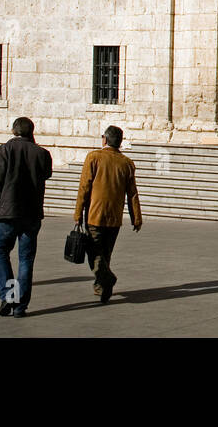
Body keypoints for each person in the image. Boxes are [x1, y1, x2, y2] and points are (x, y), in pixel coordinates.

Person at [0, 117, 53, 317]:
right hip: (31, 213)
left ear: (14, 130)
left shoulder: (3, 151)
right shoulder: (42, 154)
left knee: (1, 251)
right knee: (26, 259)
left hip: (8, 211)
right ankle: (20, 305)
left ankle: (9, 295)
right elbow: (46, 174)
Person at [73, 125, 142, 303]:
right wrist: (136, 217)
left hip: (95, 215)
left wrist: (78, 212)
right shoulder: (126, 163)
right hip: (114, 216)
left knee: (94, 253)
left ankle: (107, 279)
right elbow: (132, 192)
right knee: (106, 253)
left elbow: (84, 187)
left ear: (104, 139)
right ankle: (101, 288)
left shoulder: (94, 157)